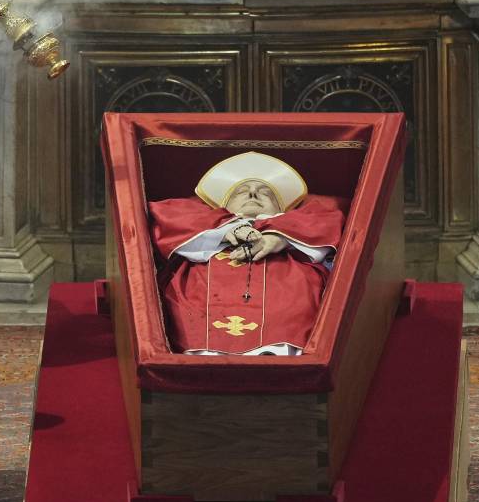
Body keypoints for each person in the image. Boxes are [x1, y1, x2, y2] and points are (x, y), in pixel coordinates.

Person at [148, 151, 347, 355]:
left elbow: (328, 221)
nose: (253, 194)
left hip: (285, 297)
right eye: (241, 192)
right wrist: (226, 230)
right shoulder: (202, 220)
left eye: (265, 193)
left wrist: (279, 237)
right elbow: (165, 216)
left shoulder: (304, 220)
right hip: (202, 303)